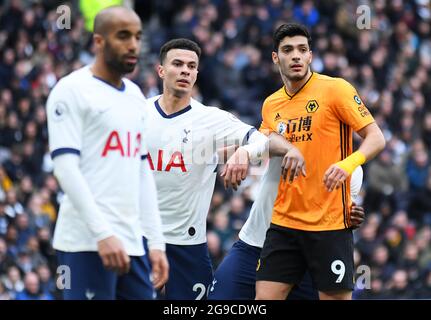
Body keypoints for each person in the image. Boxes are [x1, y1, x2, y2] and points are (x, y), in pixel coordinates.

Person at [252, 23, 385, 300]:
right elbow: (260, 143)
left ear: (311, 55)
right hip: (284, 223)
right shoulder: (271, 105)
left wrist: (348, 164)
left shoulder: (335, 89)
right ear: (276, 58)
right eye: (288, 50)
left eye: (302, 49)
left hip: (330, 225)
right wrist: (234, 155)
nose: (296, 56)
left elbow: (376, 137)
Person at [46, 6, 168, 300]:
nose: (133, 45)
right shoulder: (72, 90)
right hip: (87, 242)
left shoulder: (136, 96)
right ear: (98, 41)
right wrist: (102, 233)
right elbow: (65, 168)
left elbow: (142, 172)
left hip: (132, 242)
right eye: (123, 36)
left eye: (138, 37)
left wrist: (156, 243)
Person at [144, 38, 269, 300]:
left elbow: (262, 140)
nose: (185, 71)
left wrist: (244, 153)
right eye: (177, 64)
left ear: (197, 73)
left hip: (187, 244)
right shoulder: (138, 113)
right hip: (141, 237)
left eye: (191, 66)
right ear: (161, 70)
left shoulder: (211, 119)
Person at [208, 156, 365, 300]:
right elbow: (265, 139)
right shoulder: (290, 136)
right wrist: (244, 151)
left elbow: (337, 215)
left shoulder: (353, 168)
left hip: (304, 259)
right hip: (254, 246)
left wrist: (347, 217)